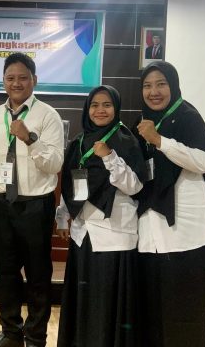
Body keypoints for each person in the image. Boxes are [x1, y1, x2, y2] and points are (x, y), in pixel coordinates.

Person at [0, 53, 64, 347]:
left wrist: (30, 139)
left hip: (36, 206)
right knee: (5, 273)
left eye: (23, 77)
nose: (16, 83)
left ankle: (36, 337)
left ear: (34, 80)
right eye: (10, 78)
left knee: (38, 275)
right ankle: (11, 333)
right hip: (3, 204)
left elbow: (55, 164)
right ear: (3, 82)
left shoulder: (48, 116)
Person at [133, 61, 205, 347]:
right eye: (147, 85)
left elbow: (204, 161)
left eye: (161, 84)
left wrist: (161, 141)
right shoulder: (142, 122)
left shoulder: (188, 116)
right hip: (151, 232)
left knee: (185, 311)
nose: (153, 91)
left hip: (185, 233)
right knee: (153, 312)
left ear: (173, 85)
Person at [55, 85, 146, 347]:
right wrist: (62, 217)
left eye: (107, 105)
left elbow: (134, 186)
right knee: (84, 304)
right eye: (94, 105)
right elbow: (70, 183)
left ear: (116, 108)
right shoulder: (79, 141)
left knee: (106, 307)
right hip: (83, 234)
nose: (100, 110)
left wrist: (109, 157)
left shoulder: (126, 140)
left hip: (113, 235)